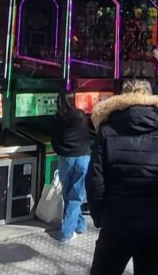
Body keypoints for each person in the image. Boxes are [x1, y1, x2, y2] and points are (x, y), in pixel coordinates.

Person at [86, 79, 158, 275]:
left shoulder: (107, 131)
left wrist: (100, 217)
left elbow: (95, 182)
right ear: (151, 98)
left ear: (122, 98)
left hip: (116, 224)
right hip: (155, 226)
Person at [49, 90, 91, 242]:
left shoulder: (56, 118)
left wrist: (59, 150)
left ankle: (68, 230)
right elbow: (86, 135)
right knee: (76, 195)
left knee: (68, 193)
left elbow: (54, 139)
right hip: (83, 157)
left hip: (66, 158)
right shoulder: (81, 116)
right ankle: (75, 227)